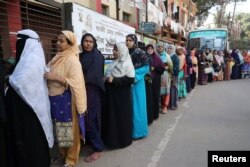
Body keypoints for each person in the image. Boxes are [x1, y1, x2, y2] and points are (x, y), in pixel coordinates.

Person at [5, 29, 53, 167]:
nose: (17, 45)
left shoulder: (32, 59)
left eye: (20, 42)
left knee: (32, 147)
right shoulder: (29, 58)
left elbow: (21, 83)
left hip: (30, 111)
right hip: (27, 109)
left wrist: (8, 81)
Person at [45, 30, 87, 167]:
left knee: (71, 131)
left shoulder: (72, 60)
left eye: (61, 41)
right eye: (57, 40)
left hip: (69, 100)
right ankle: (63, 153)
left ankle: (71, 159)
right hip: (57, 99)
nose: (58, 43)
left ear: (70, 44)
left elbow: (76, 83)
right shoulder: (57, 57)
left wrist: (55, 77)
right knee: (61, 129)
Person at [102, 43, 135, 149]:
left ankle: (121, 141)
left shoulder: (128, 64)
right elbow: (108, 75)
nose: (114, 52)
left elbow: (130, 80)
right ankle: (110, 140)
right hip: (111, 95)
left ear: (122, 51)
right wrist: (106, 79)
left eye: (116, 50)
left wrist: (115, 80)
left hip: (121, 97)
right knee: (111, 117)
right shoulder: (114, 62)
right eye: (113, 50)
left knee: (120, 118)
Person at [79, 33, 105, 162]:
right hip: (82, 90)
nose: (88, 43)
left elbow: (93, 75)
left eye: (90, 41)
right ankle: (90, 141)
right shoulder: (82, 56)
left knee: (91, 118)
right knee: (84, 117)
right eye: (85, 41)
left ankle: (98, 148)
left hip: (92, 90)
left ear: (94, 43)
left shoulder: (96, 56)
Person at [126, 34, 149, 139]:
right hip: (126, 83)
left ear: (134, 41)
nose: (128, 42)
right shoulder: (125, 52)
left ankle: (139, 132)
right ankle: (129, 131)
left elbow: (146, 67)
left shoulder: (140, 52)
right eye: (126, 40)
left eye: (130, 40)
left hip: (137, 83)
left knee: (138, 107)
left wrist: (133, 75)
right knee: (129, 107)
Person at [146, 44, 165, 119]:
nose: (150, 50)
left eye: (151, 48)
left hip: (156, 80)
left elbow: (162, 68)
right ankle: (149, 114)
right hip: (147, 80)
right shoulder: (144, 57)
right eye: (148, 49)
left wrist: (155, 68)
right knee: (149, 97)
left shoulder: (157, 57)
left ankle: (155, 114)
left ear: (153, 49)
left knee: (155, 96)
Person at [158, 42, 173, 114]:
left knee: (166, 91)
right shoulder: (156, 55)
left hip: (165, 75)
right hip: (157, 75)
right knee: (158, 90)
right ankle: (160, 104)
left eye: (161, 46)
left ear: (163, 47)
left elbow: (171, 66)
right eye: (158, 47)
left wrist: (165, 67)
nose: (159, 48)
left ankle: (165, 106)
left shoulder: (167, 56)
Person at [167, 44, 179, 110]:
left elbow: (177, 68)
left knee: (173, 90)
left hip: (174, 76)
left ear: (173, 49)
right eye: (168, 48)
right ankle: (168, 104)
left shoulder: (175, 57)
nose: (169, 49)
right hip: (167, 76)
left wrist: (169, 68)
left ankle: (173, 105)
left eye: (170, 48)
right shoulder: (166, 56)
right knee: (168, 90)